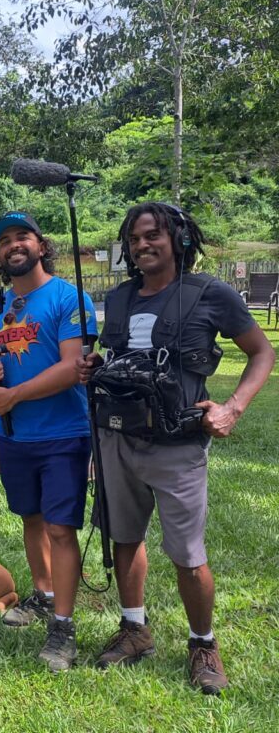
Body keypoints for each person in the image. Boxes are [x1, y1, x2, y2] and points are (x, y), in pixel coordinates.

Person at [78, 202, 274, 694]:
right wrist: (96, 364)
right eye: (134, 239)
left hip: (179, 445)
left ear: (180, 239)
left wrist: (232, 408)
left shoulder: (210, 293)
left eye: (152, 236)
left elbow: (261, 352)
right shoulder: (120, 298)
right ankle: (134, 628)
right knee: (124, 537)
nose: (141, 245)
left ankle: (202, 645)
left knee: (188, 554)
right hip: (118, 435)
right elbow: (122, 358)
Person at [0, 210, 97, 673]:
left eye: (22, 236)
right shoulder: (2, 307)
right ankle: (44, 594)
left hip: (64, 433)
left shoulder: (69, 298)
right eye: (5, 240)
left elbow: (73, 367)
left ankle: (63, 629)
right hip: (14, 435)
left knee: (60, 528)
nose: (13, 245)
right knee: (31, 518)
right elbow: (4, 362)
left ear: (41, 245)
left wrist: (13, 394)